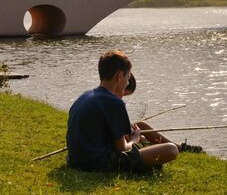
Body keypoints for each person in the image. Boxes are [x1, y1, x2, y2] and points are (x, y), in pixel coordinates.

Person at [66, 50, 202, 173]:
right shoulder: (114, 102)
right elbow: (123, 148)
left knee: (140, 126)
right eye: (127, 77)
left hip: (75, 160)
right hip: (97, 164)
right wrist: (135, 139)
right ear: (119, 76)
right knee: (170, 150)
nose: (127, 83)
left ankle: (182, 147)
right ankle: (176, 148)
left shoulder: (85, 95)